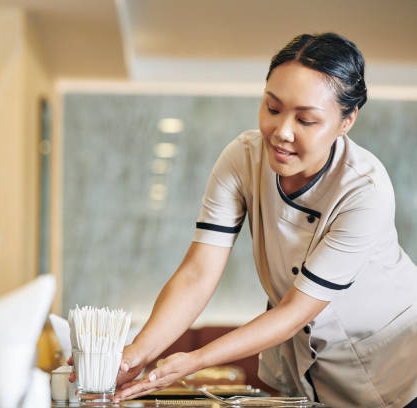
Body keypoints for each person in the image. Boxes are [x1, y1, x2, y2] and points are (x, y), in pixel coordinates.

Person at [112, 33, 417, 407]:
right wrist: (136, 354)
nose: (281, 132)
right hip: (303, 364)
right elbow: (198, 273)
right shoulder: (242, 158)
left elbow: (294, 310)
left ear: (346, 120)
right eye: (272, 109)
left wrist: (194, 360)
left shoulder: (365, 190)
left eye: (306, 119)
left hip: (392, 362)